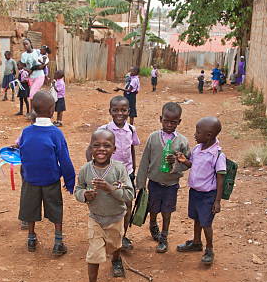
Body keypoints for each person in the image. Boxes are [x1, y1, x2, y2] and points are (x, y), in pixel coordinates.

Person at [76, 129, 135, 282]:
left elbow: (129, 194)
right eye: (96, 145)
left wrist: (110, 188)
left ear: (114, 149)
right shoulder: (86, 169)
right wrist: (85, 195)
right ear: (90, 148)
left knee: (115, 245)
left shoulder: (119, 169)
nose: (101, 149)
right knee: (94, 253)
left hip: (116, 218)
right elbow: (77, 190)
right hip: (96, 218)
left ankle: (116, 260)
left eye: (106, 146)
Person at [17, 91, 75, 256]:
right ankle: (58, 242)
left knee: (30, 209)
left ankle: (31, 239)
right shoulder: (56, 133)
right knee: (55, 208)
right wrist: (69, 180)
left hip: (30, 179)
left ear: (33, 110)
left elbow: (23, 153)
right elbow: (64, 159)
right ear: (52, 110)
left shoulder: (26, 132)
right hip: (50, 179)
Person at [87, 95, 140, 251]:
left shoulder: (131, 129)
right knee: (110, 205)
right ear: (110, 111)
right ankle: (104, 235)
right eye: (115, 110)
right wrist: (93, 168)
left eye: (123, 110)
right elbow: (90, 150)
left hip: (127, 173)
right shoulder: (104, 130)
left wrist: (133, 168)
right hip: (109, 175)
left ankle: (122, 236)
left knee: (127, 205)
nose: (120, 113)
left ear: (129, 111)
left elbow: (132, 148)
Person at [136, 102, 190, 253]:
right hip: (154, 183)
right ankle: (153, 226)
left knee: (167, 212)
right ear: (161, 119)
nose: (169, 124)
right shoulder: (153, 138)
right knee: (153, 209)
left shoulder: (182, 142)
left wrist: (177, 162)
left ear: (179, 122)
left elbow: (188, 163)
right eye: (166, 120)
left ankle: (164, 237)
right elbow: (145, 161)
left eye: (173, 122)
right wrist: (140, 183)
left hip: (171, 184)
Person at [175, 116, 225, 265]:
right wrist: (185, 161)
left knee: (206, 223)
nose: (195, 134)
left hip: (208, 195)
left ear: (209, 135)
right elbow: (193, 165)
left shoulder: (217, 155)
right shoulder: (197, 149)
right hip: (195, 192)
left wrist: (217, 201)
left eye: (198, 132)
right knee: (197, 219)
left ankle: (209, 249)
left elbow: (220, 178)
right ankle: (196, 242)